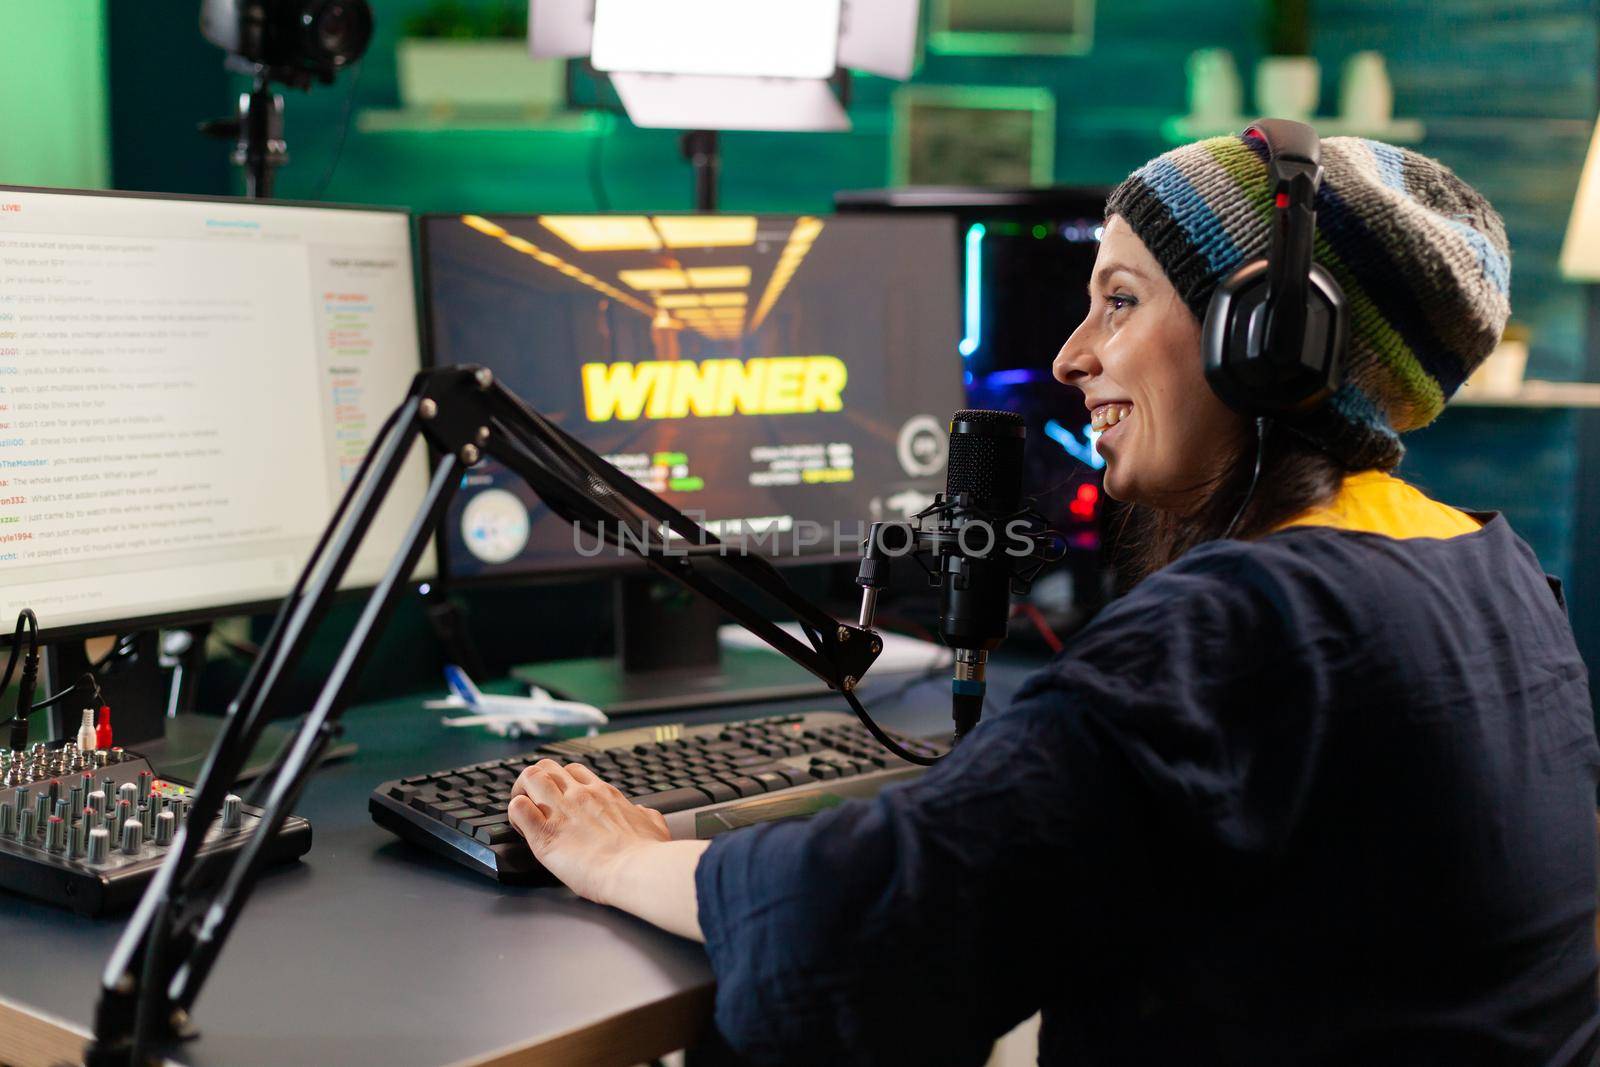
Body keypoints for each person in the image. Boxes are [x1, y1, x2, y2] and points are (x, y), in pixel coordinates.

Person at [505, 130, 1600, 1065]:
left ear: (1267, 342)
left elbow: (849, 925)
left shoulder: (1244, 623)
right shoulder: (1486, 569)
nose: (1074, 356)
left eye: (1119, 301)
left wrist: (621, 854)